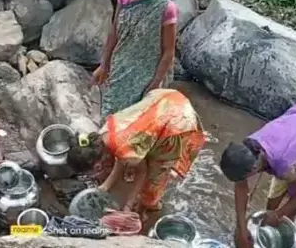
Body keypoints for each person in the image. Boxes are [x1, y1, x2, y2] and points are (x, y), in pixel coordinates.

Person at [67, 88, 205, 219]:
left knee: (155, 181)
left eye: (92, 174)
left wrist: (128, 204)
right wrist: (105, 187)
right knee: (134, 153)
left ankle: (151, 206)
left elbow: (142, 172)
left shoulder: (128, 154)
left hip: (177, 119)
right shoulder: (103, 134)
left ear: (98, 166)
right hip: (164, 98)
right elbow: (120, 156)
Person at [92, 0, 179, 120]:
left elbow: (168, 51)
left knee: (137, 121)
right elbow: (115, 29)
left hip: (146, 75)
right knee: (110, 116)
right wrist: (104, 65)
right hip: (120, 66)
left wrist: (154, 85)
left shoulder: (166, 8)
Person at [220, 101, 296, 248]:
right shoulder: (247, 149)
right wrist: (241, 227)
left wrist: (279, 215)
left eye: (243, 178)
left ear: (254, 168)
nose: (242, 181)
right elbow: (241, 187)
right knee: (277, 199)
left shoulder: (281, 163)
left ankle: (288, 226)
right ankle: (275, 216)